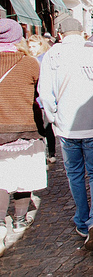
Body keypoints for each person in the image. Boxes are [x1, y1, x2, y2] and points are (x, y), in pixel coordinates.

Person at [38, 17, 93, 251]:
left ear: (61, 34)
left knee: (75, 174)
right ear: (82, 32)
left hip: (66, 126)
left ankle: (82, 220)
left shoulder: (53, 54)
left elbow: (45, 94)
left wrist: (54, 117)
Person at [0, 19, 46, 257]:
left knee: (1, 179)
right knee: (22, 176)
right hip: (24, 130)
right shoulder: (29, 63)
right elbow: (42, 94)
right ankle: (19, 220)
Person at [28, 34, 56, 163]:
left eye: (34, 46)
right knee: (45, 127)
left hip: (42, 99)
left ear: (40, 45)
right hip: (38, 100)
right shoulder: (32, 59)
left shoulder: (42, 58)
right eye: (29, 46)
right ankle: (49, 153)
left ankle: (49, 153)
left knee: (45, 127)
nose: (31, 49)